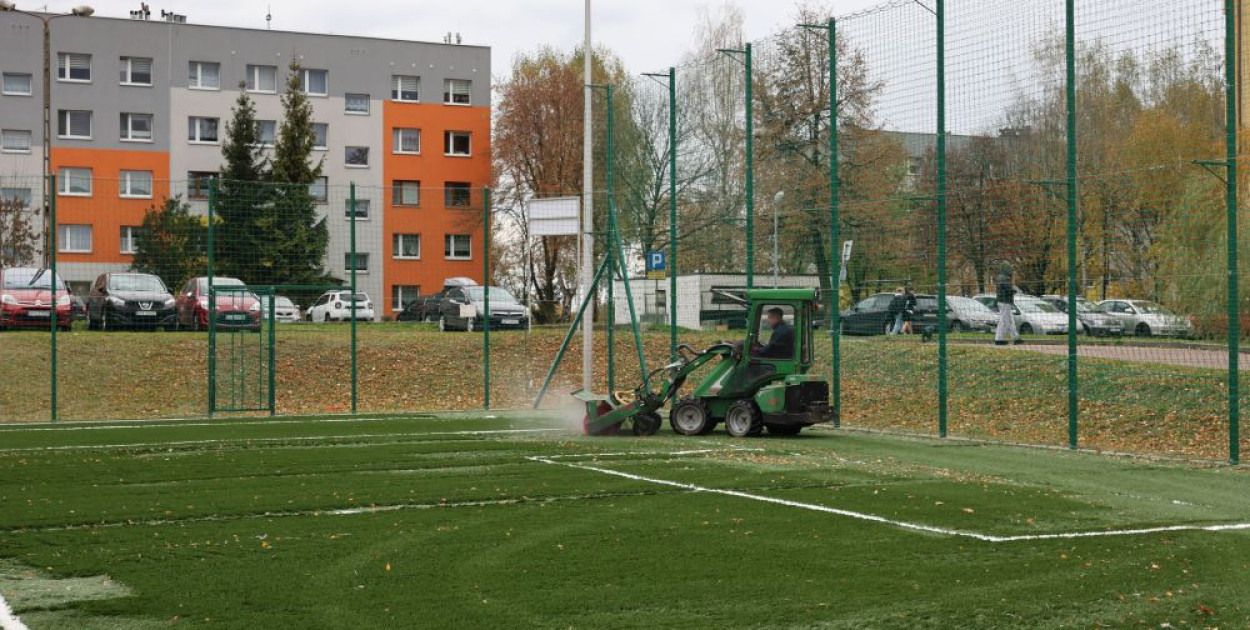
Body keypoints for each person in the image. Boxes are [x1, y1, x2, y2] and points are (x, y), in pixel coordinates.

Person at [994, 262, 1022, 346]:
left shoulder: (1002, 277)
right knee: (1004, 321)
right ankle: (999, 339)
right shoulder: (1004, 278)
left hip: (1004, 301)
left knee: (1010, 320)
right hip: (1005, 301)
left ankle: (1016, 338)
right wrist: (1014, 290)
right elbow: (1009, 289)